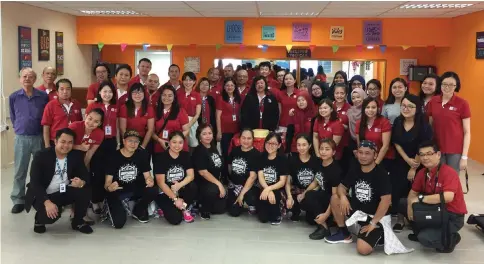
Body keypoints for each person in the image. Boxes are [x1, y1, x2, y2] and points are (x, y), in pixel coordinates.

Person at [326, 140, 392, 255]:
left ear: (375, 155)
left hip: (375, 216)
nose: (363, 156)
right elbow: (341, 186)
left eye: (367, 153)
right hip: (359, 210)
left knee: (363, 250)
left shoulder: (381, 174)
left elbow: (386, 201)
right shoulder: (355, 169)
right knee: (335, 198)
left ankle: (380, 234)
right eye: (360, 152)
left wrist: (373, 223)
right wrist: (343, 197)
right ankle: (344, 234)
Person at [24, 128, 93, 234]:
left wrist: (81, 182)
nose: (66, 146)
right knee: (51, 217)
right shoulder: (41, 156)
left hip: (63, 191)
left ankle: (78, 221)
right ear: (55, 141)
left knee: (85, 189)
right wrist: (47, 202)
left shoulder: (75, 155)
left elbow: (85, 176)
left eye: (70, 142)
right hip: (43, 195)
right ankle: (39, 219)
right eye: (63, 142)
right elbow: (35, 183)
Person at [406, 141, 467, 253]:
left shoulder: (449, 172)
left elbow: (448, 197)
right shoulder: (423, 172)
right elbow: (413, 193)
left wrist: (419, 199)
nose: (425, 158)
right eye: (422, 155)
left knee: (425, 238)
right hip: (436, 210)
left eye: (429, 154)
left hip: (452, 215)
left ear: (438, 155)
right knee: (403, 203)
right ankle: (423, 230)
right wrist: (410, 207)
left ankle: (451, 239)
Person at [9, 68, 49, 214]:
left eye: (30, 76)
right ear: (20, 78)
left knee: (39, 170)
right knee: (20, 170)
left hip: (38, 137)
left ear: (35, 79)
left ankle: (39, 197)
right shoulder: (14, 97)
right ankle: (18, 199)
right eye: (24, 76)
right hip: (22, 138)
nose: (27, 78)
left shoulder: (43, 96)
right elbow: (13, 116)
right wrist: (19, 128)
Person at [392, 94, 433, 232]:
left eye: (410, 106)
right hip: (400, 161)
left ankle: (414, 216)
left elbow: (423, 147)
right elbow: (396, 142)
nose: (406, 108)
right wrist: (406, 159)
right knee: (398, 188)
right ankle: (400, 218)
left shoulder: (423, 124)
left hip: (419, 162)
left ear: (417, 108)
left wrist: (413, 167)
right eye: (403, 105)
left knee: (415, 188)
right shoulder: (398, 121)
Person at [104, 130, 157, 228]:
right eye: (130, 141)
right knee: (119, 224)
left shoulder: (142, 154)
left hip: (135, 188)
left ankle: (138, 210)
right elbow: (107, 183)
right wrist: (109, 187)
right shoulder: (113, 157)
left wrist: (150, 181)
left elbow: (148, 176)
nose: (133, 144)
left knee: (153, 190)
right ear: (124, 141)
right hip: (118, 190)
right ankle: (110, 206)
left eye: (136, 141)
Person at [85, 81, 120, 213]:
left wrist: (118, 142)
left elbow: (116, 125)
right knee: (96, 171)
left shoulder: (116, 106)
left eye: (110, 91)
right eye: (104, 91)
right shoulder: (93, 105)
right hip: (96, 141)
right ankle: (95, 200)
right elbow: (87, 124)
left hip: (110, 142)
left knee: (109, 171)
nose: (107, 94)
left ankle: (106, 199)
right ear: (99, 92)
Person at [426, 71, 471, 173]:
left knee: (452, 179)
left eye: (451, 85)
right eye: (444, 84)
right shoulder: (433, 101)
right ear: (440, 84)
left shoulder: (462, 103)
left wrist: (464, 156)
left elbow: (467, 132)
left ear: (456, 86)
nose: (447, 87)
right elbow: (430, 125)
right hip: (436, 148)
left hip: (455, 150)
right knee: (437, 177)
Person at [300, 138, 342, 240]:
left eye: (327, 149)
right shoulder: (320, 163)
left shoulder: (335, 170)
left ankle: (324, 227)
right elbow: (316, 181)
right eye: (321, 149)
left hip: (331, 202)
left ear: (334, 152)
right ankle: (328, 221)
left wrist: (325, 215)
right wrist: (304, 193)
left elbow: (335, 197)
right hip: (323, 196)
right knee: (309, 216)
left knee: (310, 195)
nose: (323, 151)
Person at [154, 131, 197, 225]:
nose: (177, 145)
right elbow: (161, 183)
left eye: (180, 142)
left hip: (181, 190)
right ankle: (169, 208)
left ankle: (184, 207)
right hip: (166, 192)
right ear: (169, 142)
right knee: (176, 219)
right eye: (174, 142)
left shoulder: (185, 155)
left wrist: (179, 185)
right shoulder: (160, 158)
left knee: (193, 186)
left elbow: (191, 175)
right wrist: (175, 199)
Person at [192, 124, 226, 220]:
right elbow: (203, 172)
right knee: (214, 190)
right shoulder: (199, 151)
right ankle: (203, 208)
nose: (208, 136)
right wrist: (219, 184)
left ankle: (208, 204)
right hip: (203, 185)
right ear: (199, 136)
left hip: (214, 182)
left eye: (210, 133)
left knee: (221, 209)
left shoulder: (213, 147)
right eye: (204, 134)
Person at [226, 129, 260, 217]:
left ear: (253, 140)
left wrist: (241, 195)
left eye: (249, 138)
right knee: (234, 212)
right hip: (235, 186)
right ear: (239, 139)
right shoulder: (235, 151)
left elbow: (252, 177)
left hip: (249, 187)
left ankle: (252, 204)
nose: (246, 141)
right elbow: (229, 166)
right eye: (243, 138)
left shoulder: (256, 154)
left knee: (250, 197)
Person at [286, 134, 320, 222]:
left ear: (310, 145)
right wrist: (289, 197)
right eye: (299, 145)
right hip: (296, 191)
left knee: (311, 221)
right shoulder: (292, 159)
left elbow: (317, 182)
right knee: (288, 197)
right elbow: (288, 181)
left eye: (304, 145)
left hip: (310, 192)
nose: (301, 148)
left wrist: (305, 193)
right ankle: (295, 211)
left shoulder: (316, 161)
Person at [257, 132, 288, 225]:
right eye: (268, 143)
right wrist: (267, 189)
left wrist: (270, 189)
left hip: (277, 189)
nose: (270, 146)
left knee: (274, 216)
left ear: (279, 145)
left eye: (274, 143)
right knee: (263, 219)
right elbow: (260, 176)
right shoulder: (261, 157)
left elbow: (282, 182)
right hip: (264, 187)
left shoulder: (282, 159)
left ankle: (278, 212)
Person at [41, 78, 83, 148]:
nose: (65, 92)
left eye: (68, 89)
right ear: (57, 92)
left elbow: (80, 123)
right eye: (62, 89)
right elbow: (46, 126)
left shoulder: (76, 104)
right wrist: (47, 145)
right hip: (55, 142)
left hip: (72, 142)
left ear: (71, 91)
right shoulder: (50, 105)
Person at [216, 78, 241, 183]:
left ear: (235, 87)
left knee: (236, 154)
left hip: (236, 131)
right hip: (225, 131)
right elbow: (218, 116)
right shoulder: (221, 98)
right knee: (226, 154)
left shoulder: (238, 98)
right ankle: (225, 176)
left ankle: (235, 176)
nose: (229, 87)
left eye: (231, 85)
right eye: (227, 85)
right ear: (224, 87)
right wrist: (219, 131)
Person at [119, 82, 155, 155]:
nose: (137, 95)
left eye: (140, 92)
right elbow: (122, 129)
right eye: (134, 92)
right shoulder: (124, 107)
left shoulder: (149, 108)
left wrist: (142, 146)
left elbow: (150, 130)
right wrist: (128, 143)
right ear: (130, 94)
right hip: (127, 139)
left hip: (143, 140)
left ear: (144, 94)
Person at [355, 97, 393, 168]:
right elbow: (359, 145)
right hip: (367, 158)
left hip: (383, 158)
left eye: (373, 107)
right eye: (367, 107)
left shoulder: (384, 122)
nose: (370, 110)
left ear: (378, 109)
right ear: (363, 109)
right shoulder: (359, 123)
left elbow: (385, 146)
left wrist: (376, 164)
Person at [152, 85, 190, 154]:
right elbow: (151, 131)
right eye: (164, 95)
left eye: (170, 95)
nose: (166, 98)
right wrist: (160, 140)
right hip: (160, 146)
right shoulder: (155, 111)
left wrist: (175, 141)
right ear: (160, 96)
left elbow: (186, 130)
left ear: (174, 97)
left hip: (178, 147)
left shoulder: (181, 111)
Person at [177, 72, 202, 148]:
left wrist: (189, 124)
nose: (188, 82)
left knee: (194, 145)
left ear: (194, 82)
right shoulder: (178, 93)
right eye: (185, 80)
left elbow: (198, 113)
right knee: (180, 144)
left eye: (190, 80)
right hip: (179, 122)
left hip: (192, 122)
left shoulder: (197, 94)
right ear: (182, 81)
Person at [278, 72, 300, 151]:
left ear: (294, 80)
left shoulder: (300, 93)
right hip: (283, 125)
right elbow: (279, 111)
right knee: (283, 147)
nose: (288, 81)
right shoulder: (280, 94)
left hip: (296, 125)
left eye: (290, 79)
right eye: (286, 79)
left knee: (294, 147)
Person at [333, 83, 352, 173]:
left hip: (344, 145)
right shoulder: (329, 106)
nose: (339, 95)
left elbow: (352, 128)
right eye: (337, 93)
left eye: (342, 93)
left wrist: (343, 126)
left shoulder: (350, 109)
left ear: (346, 94)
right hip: (330, 143)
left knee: (342, 170)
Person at [346, 88, 368, 153]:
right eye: (353, 98)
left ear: (363, 97)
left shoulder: (368, 110)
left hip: (367, 142)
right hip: (352, 143)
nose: (356, 100)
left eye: (358, 97)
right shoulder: (349, 111)